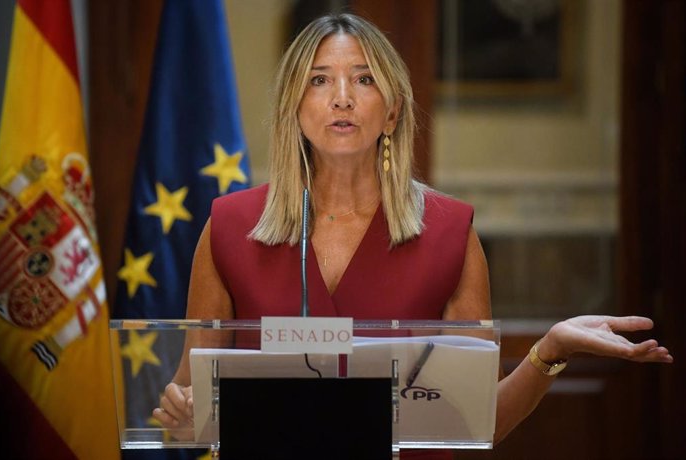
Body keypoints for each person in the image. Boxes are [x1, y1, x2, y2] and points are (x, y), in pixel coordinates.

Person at [152, 12, 673, 455]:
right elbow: (186, 406)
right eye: (318, 80)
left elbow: (477, 424)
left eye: (363, 79)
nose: (341, 98)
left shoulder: (448, 233)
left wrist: (551, 348)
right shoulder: (232, 227)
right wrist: (179, 412)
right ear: (294, 106)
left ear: (393, 109)